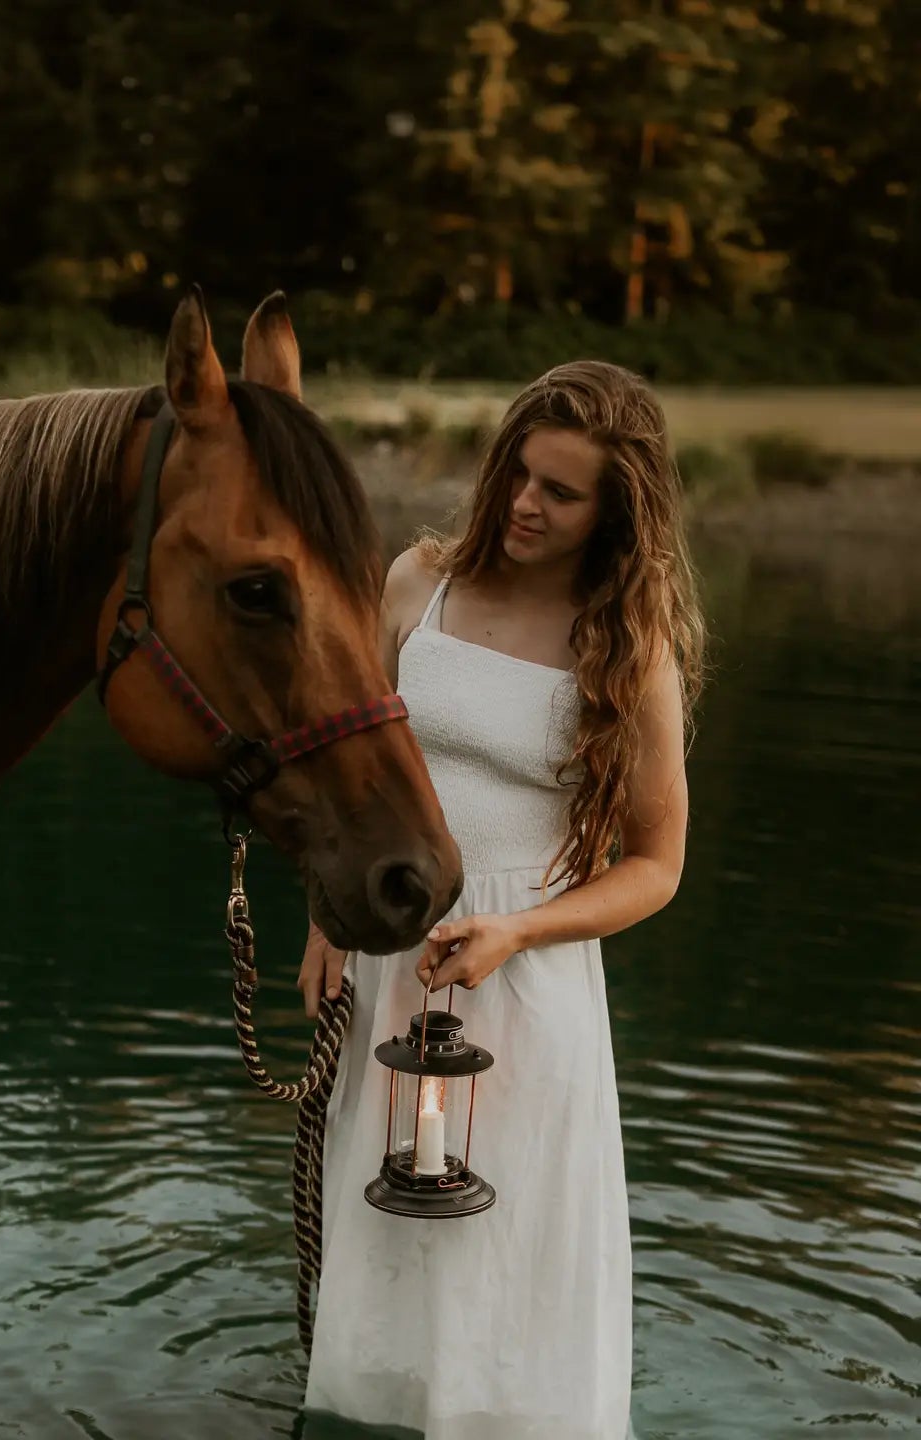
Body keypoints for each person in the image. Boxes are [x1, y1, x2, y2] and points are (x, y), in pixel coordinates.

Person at [298, 360, 705, 1440]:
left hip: (528, 969)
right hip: (392, 951)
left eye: (562, 493)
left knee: (509, 1233)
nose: (527, 503)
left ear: (614, 513)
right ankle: (372, 1414)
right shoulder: (415, 583)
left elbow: (656, 866)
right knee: (386, 1220)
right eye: (521, 474)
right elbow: (354, 781)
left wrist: (516, 928)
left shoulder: (626, 647)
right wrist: (325, 922)